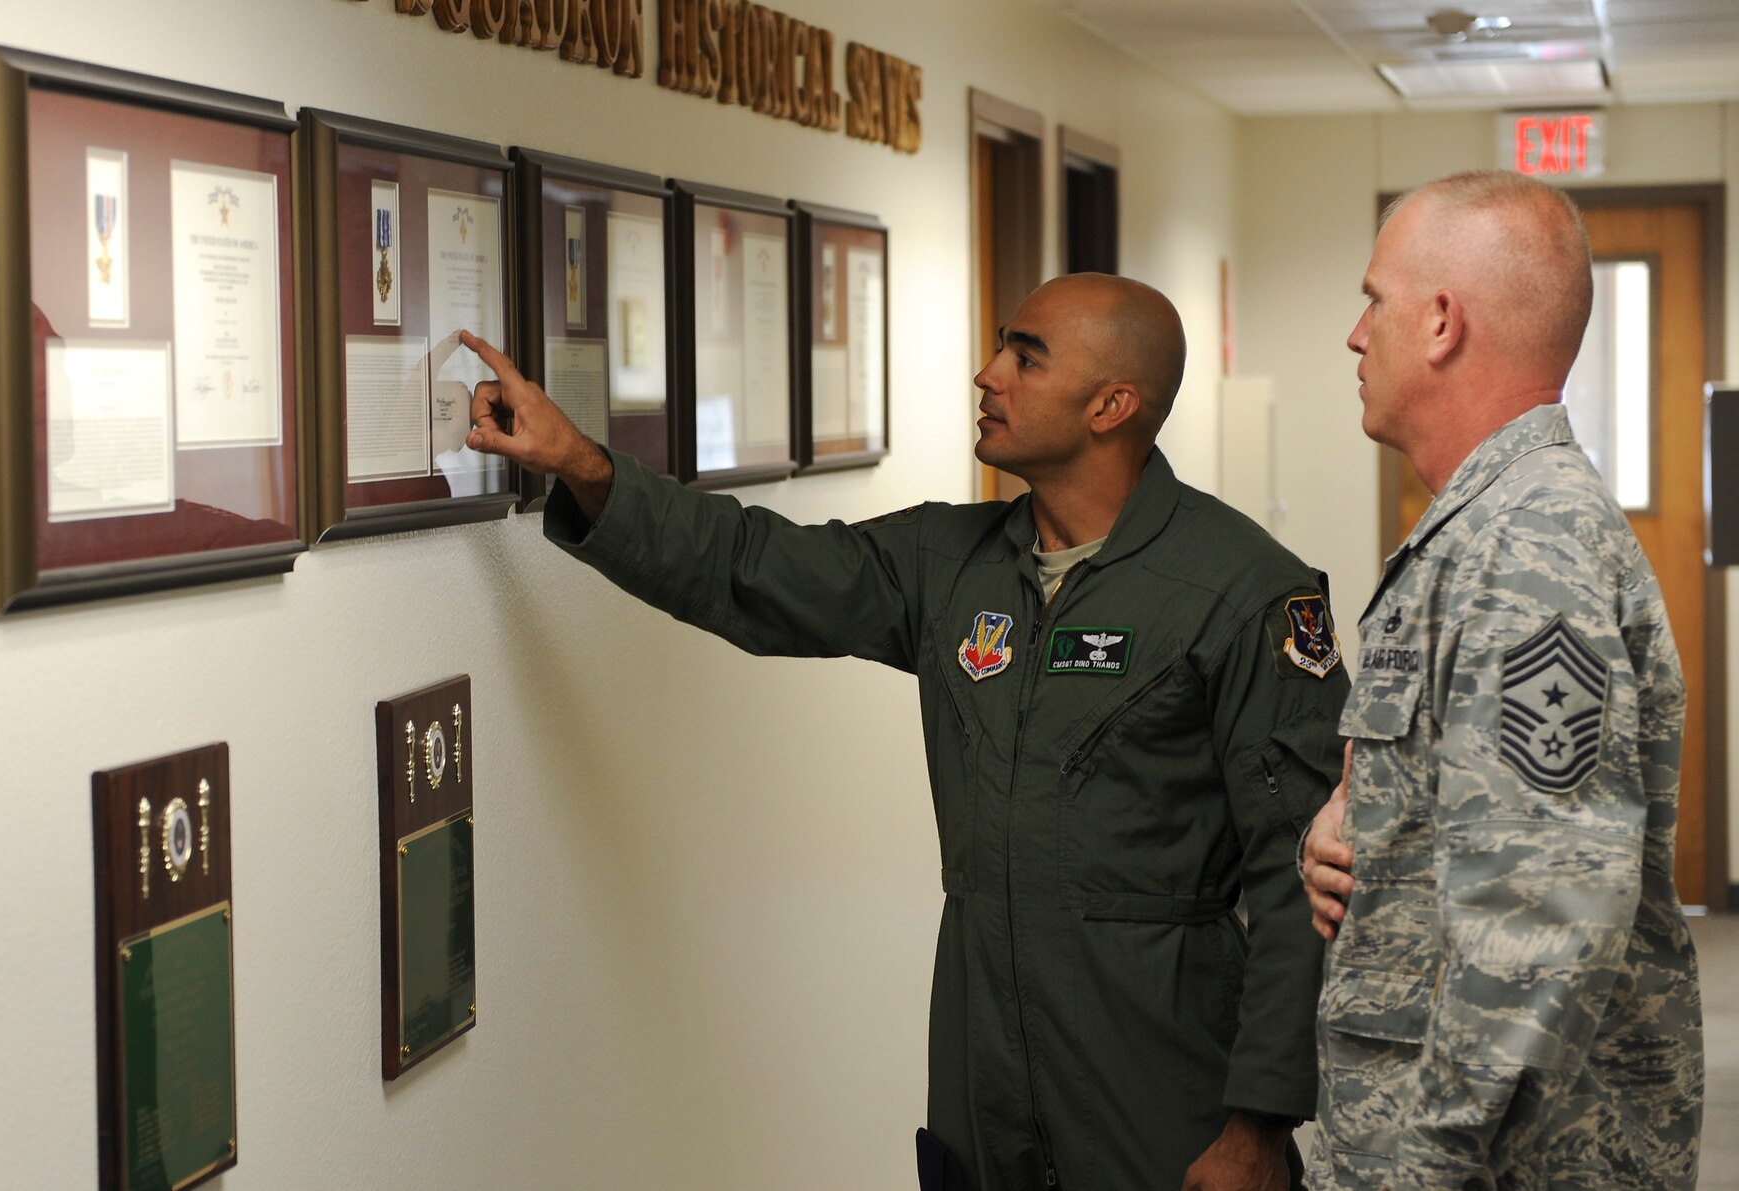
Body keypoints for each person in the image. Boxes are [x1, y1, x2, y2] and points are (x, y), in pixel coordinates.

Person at [460, 273, 1348, 1190]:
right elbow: (752, 565)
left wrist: (1258, 1125)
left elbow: (1304, 881)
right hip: (983, 1072)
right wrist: (583, 465)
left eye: (1024, 356)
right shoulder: (949, 564)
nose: (987, 373)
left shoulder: (1242, 593)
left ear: (1111, 405)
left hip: (1161, 1078)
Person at [1299, 170, 1704, 1189]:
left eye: (1373, 301)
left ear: (1438, 323)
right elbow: (1476, 816)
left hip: (1492, 1164)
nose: (1355, 335)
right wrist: (1353, 830)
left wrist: (1426, 1165)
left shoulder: (1527, 549)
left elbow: (1542, 911)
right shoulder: (1477, 531)